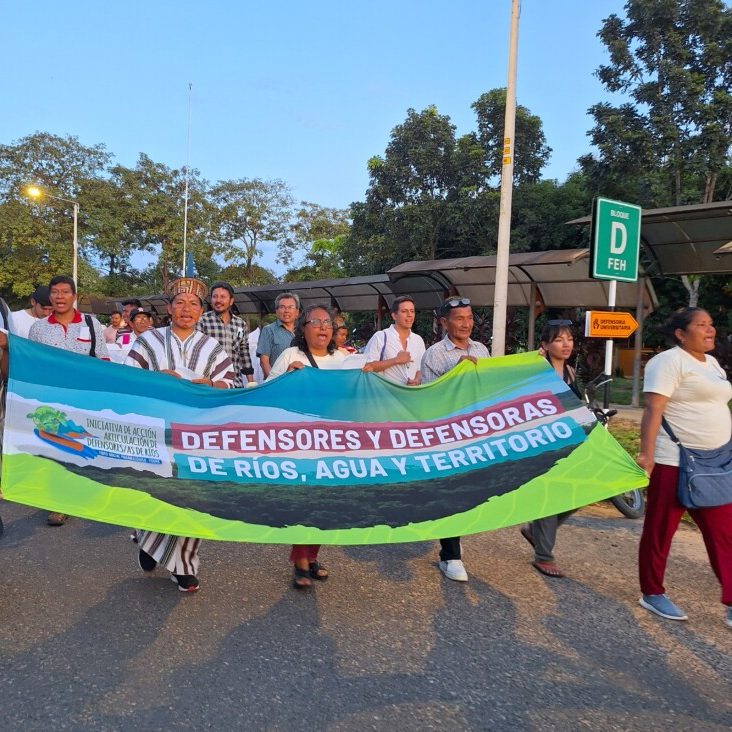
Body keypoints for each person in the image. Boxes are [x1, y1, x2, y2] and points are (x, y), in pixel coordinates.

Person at [126, 277, 235, 593]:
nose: (187, 309)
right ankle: (149, 541)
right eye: (180, 303)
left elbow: (229, 383)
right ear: (169, 308)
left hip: (196, 434)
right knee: (154, 490)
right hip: (154, 431)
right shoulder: (148, 342)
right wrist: (158, 379)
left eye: (194, 304)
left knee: (193, 495)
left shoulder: (212, 347)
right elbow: (128, 379)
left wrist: (210, 385)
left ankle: (183, 565)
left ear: (201, 311)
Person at [637, 307, 732, 627]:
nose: (710, 330)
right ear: (680, 333)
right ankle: (652, 592)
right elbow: (653, 409)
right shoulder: (667, 362)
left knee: (724, 532)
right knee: (661, 529)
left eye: (711, 324)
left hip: (715, 461)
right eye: (701, 325)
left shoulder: (713, 363)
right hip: (674, 460)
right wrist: (647, 456)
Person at [267, 305, 346, 588]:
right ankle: (300, 562)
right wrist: (288, 374)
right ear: (304, 328)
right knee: (303, 502)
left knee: (326, 505)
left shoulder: (343, 360)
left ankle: (312, 557)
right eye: (316, 322)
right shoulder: (292, 355)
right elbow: (268, 390)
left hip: (333, 443)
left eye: (328, 323)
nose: (324, 327)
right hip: (299, 443)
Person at [28, 275, 110, 526]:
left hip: (85, 398)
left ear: (74, 296)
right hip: (52, 400)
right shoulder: (39, 328)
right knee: (56, 447)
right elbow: (33, 363)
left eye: (65, 292)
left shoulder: (91, 323)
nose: (60, 297)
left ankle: (85, 494)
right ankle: (59, 503)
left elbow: (103, 360)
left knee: (82, 444)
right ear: (50, 296)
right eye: (55, 292)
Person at [420, 297, 490, 582]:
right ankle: (450, 555)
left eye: (470, 317)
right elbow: (429, 399)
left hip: (477, 431)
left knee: (470, 492)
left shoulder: (482, 350)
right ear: (444, 323)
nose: (466, 323)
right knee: (451, 492)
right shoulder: (434, 355)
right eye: (459, 318)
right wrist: (455, 374)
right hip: (447, 434)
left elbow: (490, 387)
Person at [520, 320, 580, 578]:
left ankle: (535, 532)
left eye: (569, 338)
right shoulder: (535, 372)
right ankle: (544, 555)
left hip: (569, 442)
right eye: (559, 339)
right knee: (550, 497)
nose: (566, 344)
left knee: (583, 493)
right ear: (545, 345)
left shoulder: (571, 373)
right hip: (542, 445)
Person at [197, 281, 255, 388]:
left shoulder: (240, 324)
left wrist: (251, 382)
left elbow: (243, 352)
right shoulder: (202, 321)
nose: (218, 300)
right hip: (211, 383)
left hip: (235, 383)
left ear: (231, 301)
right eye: (215, 297)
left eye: (223, 297)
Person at [362, 296, 425, 385]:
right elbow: (367, 367)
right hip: (385, 394)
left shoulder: (418, 340)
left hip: (411, 395)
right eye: (404, 311)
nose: (409, 315)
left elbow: (420, 368)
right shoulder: (380, 337)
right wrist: (396, 360)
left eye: (412, 311)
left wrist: (417, 380)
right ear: (394, 315)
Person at [257, 292, 300, 379]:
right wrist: (273, 383)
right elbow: (264, 362)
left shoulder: (303, 331)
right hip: (278, 382)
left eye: (290, 307)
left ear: (297, 312)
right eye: (282, 307)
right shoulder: (268, 330)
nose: (286, 310)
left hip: (300, 381)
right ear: (277, 311)